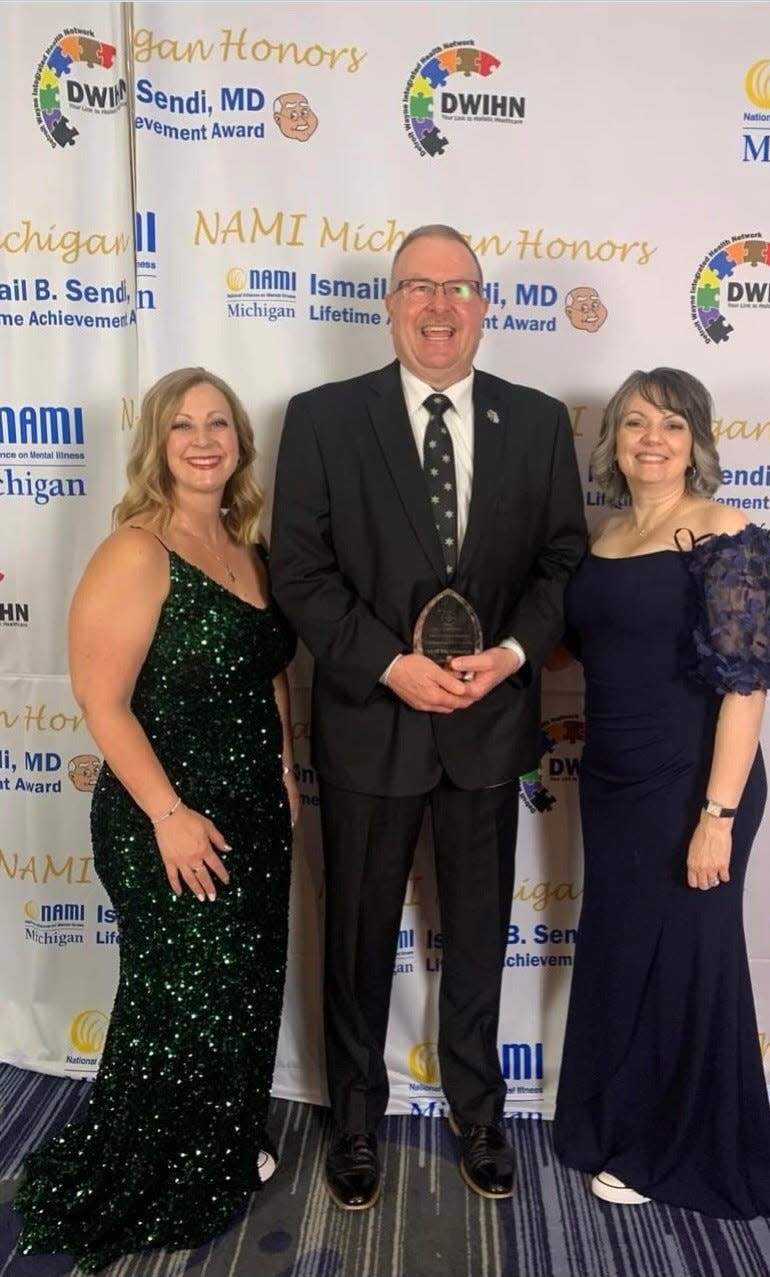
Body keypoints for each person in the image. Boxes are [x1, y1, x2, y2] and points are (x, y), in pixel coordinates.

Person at [270, 224, 587, 1210]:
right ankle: (354, 1121)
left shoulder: (535, 423)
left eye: (458, 288)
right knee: (358, 934)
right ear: (391, 303)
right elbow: (300, 569)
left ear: (484, 306)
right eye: (419, 286)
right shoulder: (323, 418)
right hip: (372, 721)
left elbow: (562, 561)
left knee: (481, 932)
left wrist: (509, 654)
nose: (439, 306)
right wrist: (389, 664)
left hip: (490, 728)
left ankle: (477, 1110)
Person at [15, 368, 298, 1273]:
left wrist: (286, 770)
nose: (205, 439)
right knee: (181, 1000)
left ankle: (219, 1140)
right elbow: (103, 702)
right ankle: (160, 1166)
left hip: (254, 809)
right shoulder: (136, 550)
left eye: (220, 422)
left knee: (241, 994)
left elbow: (269, 669)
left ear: (240, 444)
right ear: (157, 444)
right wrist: (170, 814)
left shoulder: (246, 546)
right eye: (184, 425)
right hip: (164, 812)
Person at [552, 367, 770, 1220]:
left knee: (688, 960)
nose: (650, 439)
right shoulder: (606, 535)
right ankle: (615, 1119)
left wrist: (718, 815)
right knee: (624, 954)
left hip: (698, 784)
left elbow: (746, 685)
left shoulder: (723, 533)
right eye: (633, 424)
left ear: (696, 440)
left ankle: (676, 1143)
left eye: (669, 424)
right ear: (613, 442)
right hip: (615, 782)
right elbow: (590, 646)